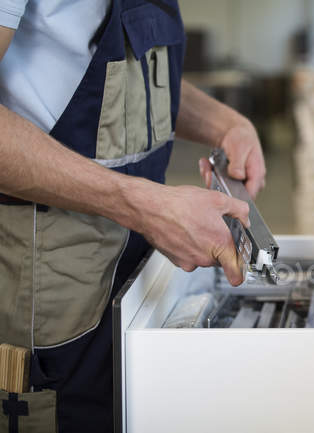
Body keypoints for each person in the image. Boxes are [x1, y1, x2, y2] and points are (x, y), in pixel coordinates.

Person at [0, 0, 266, 431]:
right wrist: (144, 205)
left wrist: (225, 123)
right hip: (50, 288)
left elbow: (133, 77)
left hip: (136, 270)